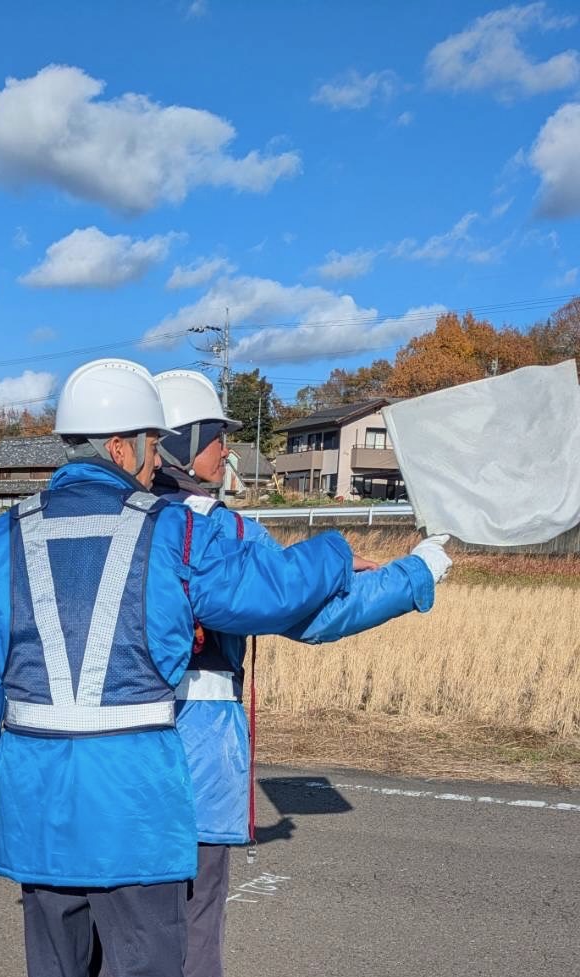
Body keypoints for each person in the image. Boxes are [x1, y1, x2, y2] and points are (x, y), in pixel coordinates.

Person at [0, 358, 374, 977]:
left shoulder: (1, 537)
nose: (156, 462)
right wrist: (335, 551)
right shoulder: (172, 532)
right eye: (150, 446)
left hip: (36, 807)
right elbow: (271, 590)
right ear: (120, 446)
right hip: (135, 810)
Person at [148, 369, 451, 977]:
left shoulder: (101, 519)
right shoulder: (220, 531)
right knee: (196, 915)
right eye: (216, 435)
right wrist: (415, 573)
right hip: (197, 746)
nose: (227, 449)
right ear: (181, 442)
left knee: (122, 917)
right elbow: (312, 615)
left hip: (107, 751)